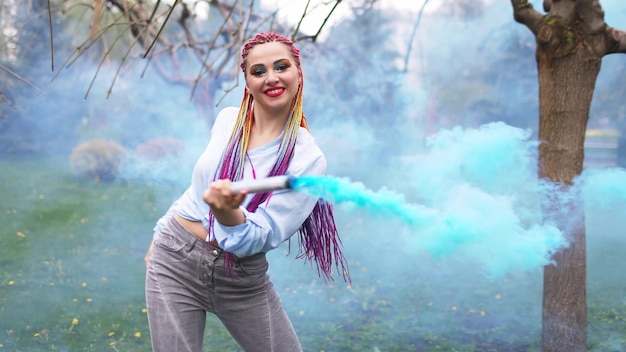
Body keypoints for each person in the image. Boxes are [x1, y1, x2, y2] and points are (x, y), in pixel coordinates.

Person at [144, 32, 350, 352]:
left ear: (298, 72)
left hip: (241, 279)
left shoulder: (307, 158)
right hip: (174, 257)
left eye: (281, 67)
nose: (271, 78)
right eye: (259, 71)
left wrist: (227, 212)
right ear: (247, 81)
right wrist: (161, 233)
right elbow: (200, 186)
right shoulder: (228, 120)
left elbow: (259, 237)